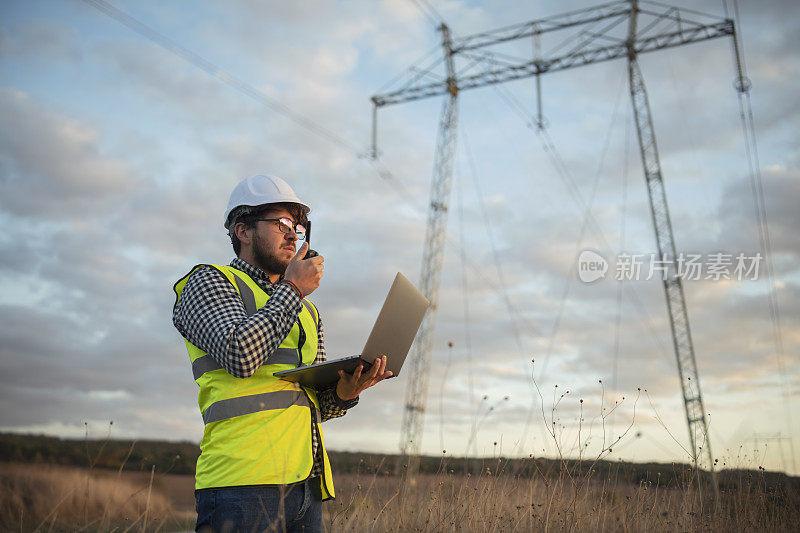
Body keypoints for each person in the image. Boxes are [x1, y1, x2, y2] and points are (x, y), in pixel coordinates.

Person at [172, 174, 391, 532]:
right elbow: (240, 355)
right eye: (281, 224)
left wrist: (347, 392)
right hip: (241, 483)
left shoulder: (307, 311)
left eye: (299, 227)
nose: (294, 234)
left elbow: (315, 405)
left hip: (306, 485)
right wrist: (292, 287)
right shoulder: (209, 282)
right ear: (243, 231)